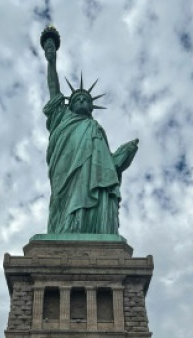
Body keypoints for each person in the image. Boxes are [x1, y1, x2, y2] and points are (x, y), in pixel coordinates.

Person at [40, 26, 139, 235]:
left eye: (86, 100)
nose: (83, 101)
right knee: (64, 202)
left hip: (92, 177)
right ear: (70, 104)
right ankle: (67, 229)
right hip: (66, 171)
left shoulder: (95, 128)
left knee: (95, 192)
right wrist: (51, 61)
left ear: (92, 108)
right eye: (78, 99)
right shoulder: (63, 117)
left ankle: (92, 230)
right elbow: (53, 89)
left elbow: (106, 167)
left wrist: (123, 155)